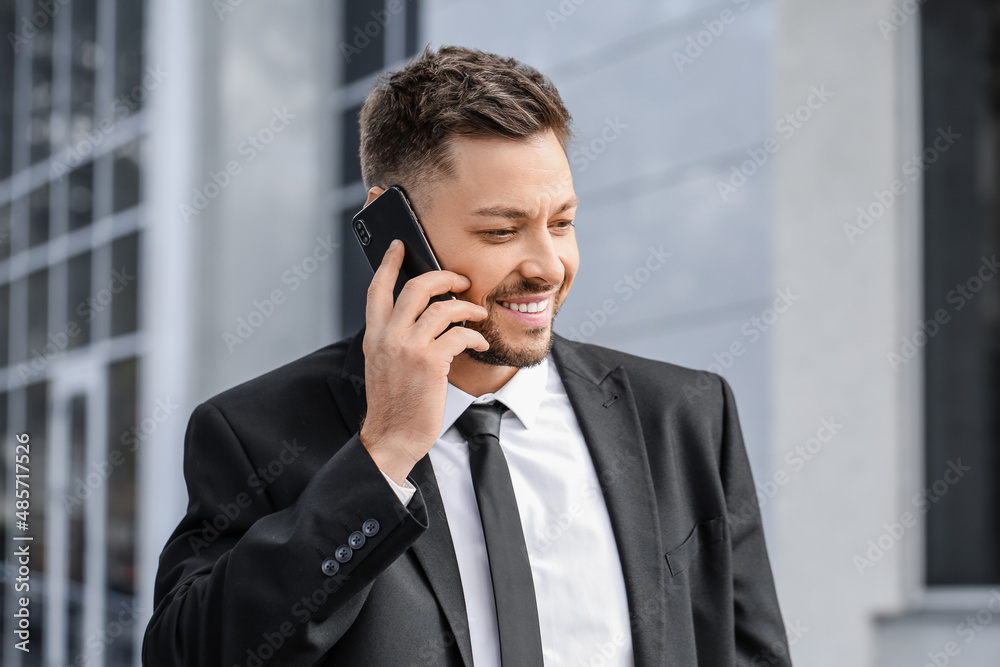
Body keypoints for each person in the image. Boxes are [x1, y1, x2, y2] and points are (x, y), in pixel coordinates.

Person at [143, 45, 790, 667]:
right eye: (502, 230)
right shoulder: (257, 432)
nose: (547, 266)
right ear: (393, 228)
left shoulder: (684, 417)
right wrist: (384, 451)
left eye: (561, 223)